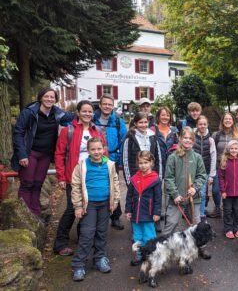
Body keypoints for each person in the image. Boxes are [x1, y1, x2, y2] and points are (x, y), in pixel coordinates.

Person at [53, 100, 107, 256]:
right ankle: (60, 243)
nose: (87, 114)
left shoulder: (96, 131)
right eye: (84, 111)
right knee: (72, 209)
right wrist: (61, 177)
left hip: (93, 177)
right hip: (74, 176)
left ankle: (83, 238)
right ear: (78, 112)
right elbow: (59, 154)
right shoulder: (68, 131)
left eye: (90, 111)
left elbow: (104, 154)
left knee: (88, 207)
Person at [12, 87, 75, 218]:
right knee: (27, 183)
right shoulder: (29, 112)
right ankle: (24, 215)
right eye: (46, 96)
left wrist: (92, 112)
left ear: (55, 100)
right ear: (40, 97)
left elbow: (74, 116)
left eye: (52, 97)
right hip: (30, 153)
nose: (49, 99)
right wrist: (22, 154)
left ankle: (35, 213)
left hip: (45, 154)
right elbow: (18, 133)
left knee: (38, 184)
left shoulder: (57, 113)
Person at [70, 137, 121, 281]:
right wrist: (78, 206)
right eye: (93, 149)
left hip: (105, 204)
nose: (97, 152)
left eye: (99, 149)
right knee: (87, 233)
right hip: (89, 205)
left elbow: (115, 183)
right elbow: (75, 186)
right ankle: (79, 265)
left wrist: (115, 200)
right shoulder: (82, 165)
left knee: (102, 232)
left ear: (104, 149)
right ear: (88, 150)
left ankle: (100, 258)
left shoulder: (110, 164)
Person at [164, 127, 210, 258]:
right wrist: (175, 194)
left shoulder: (197, 157)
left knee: (196, 225)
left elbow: (202, 175)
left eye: (190, 138)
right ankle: (163, 248)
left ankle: (201, 247)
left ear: (193, 141)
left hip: (193, 199)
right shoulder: (173, 157)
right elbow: (168, 178)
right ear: (180, 139)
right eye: (185, 138)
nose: (188, 140)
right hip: (177, 199)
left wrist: (195, 187)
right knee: (171, 224)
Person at [93, 94, 127, 230]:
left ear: (113, 106)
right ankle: (95, 217)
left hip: (112, 158)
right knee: (97, 186)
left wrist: (119, 157)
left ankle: (115, 216)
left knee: (114, 186)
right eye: (105, 104)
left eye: (109, 104)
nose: (107, 106)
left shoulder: (118, 121)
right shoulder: (92, 119)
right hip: (95, 157)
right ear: (100, 105)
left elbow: (123, 140)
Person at [125, 151, 162, 266]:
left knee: (149, 236)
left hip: (149, 214)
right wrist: (128, 210)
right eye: (140, 163)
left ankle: (151, 255)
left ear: (151, 163)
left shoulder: (155, 179)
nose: (143, 165)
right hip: (136, 215)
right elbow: (129, 196)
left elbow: (158, 198)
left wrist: (157, 213)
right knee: (137, 236)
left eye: (146, 162)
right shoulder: (134, 179)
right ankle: (139, 255)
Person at [207, 112, 238, 218]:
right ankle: (218, 208)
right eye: (225, 119)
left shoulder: (237, 136)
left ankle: (230, 210)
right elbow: (211, 152)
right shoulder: (216, 135)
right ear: (222, 121)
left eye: (230, 119)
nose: (228, 121)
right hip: (219, 166)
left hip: (233, 167)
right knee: (216, 190)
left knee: (231, 189)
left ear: (233, 121)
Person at [151, 107, 178, 232]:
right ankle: (156, 220)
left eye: (167, 115)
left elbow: (178, 147)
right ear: (158, 116)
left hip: (170, 166)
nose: (165, 117)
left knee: (169, 194)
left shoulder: (174, 131)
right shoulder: (153, 129)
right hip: (156, 165)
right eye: (163, 115)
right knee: (157, 193)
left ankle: (168, 221)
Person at [122, 112, 163, 186]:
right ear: (135, 123)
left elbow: (158, 159)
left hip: (151, 178)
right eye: (140, 122)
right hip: (136, 179)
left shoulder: (153, 137)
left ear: (149, 122)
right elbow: (126, 162)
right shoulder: (130, 139)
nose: (143, 125)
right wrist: (130, 183)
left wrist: (158, 180)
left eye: (145, 122)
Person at [219, 140, 238, 239]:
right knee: (227, 211)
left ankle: (237, 228)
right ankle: (228, 229)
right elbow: (221, 177)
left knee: (237, 211)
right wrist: (223, 190)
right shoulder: (224, 161)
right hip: (227, 192)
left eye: (235, 148)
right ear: (228, 149)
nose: (234, 150)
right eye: (231, 148)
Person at [193, 115, 217, 220]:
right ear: (197, 125)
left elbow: (213, 156)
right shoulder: (193, 137)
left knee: (202, 194)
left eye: (204, 124)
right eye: (200, 124)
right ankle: (192, 214)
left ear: (207, 125)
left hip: (205, 171)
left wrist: (211, 175)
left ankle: (201, 214)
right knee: (192, 192)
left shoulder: (210, 140)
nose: (202, 126)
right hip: (192, 170)